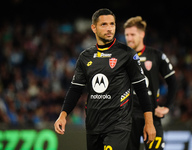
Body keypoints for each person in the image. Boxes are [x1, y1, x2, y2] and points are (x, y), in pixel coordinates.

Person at [54, 9, 156, 150]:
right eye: (104, 25)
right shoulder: (85, 57)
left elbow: (141, 89)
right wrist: (63, 115)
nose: (109, 28)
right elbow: (75, 89)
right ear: (93, 28)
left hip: (118, 124)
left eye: (112, 24)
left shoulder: (127, 54)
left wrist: (149, 123)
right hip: (93, 124)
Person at [124, 16, 177, 150]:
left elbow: (173, 81)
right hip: (129, 117)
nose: (129, 38)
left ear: (142, 34)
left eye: (132, 34)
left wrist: (168, 106)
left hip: (152, 115)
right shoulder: (121, 57)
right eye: (126, 35)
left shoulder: (156, 55)